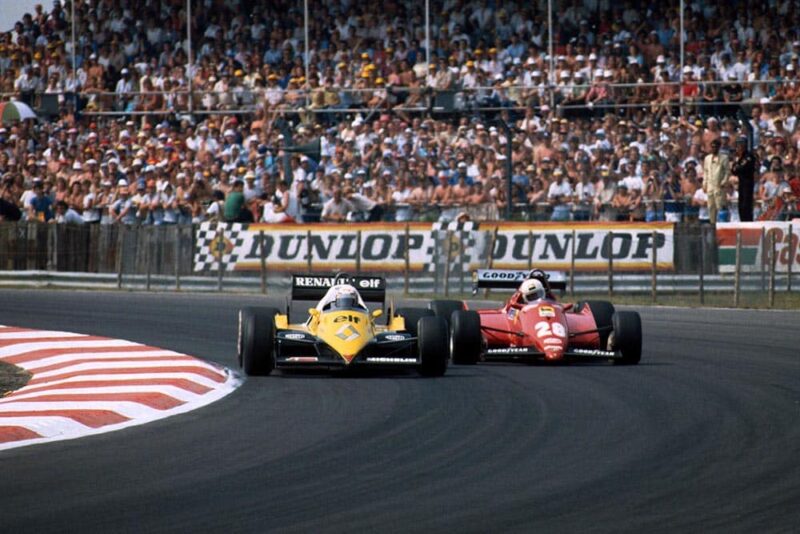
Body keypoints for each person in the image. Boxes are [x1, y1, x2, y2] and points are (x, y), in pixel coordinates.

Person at [702, 138, 730, 224]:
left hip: (719, 186)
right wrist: (704, 183)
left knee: (720, 206)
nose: (714, 148)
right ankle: (712, 224)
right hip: (710, 185)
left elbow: (727, 172)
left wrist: (724, 182)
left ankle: (722, 225)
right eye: (712, 147)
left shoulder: (724, 158)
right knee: (710, 206)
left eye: (716, 147)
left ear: (719, 147)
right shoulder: (707, 158)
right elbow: (706, 171)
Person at [730, 136, 756, 222]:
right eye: (738, 144)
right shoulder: (739, 158)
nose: (739, 146)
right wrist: (736, 164)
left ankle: (748, 221)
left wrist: (737, 167)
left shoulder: (749, 156)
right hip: (741, 183)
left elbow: (740, 168)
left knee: (746, 204)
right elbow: (733, 171)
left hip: (748, 183)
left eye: (741, 144)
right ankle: (743, 221)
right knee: (740, 204)